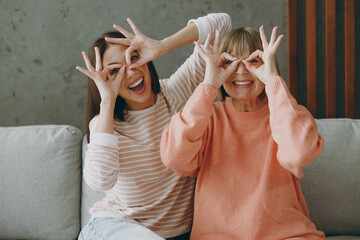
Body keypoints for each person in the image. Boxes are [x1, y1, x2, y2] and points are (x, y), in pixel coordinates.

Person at [160, 26, 326, 239]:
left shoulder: (287, 113)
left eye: (253, 61)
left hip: (287, 235)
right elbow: (174, 157)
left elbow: (300, 153)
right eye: (229, 62)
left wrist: (274, 81)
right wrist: (209, 84)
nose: (240, 71)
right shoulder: (207, 117)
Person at [76, 13, 232, 240]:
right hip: (114, 228)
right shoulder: (105, 123)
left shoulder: (176, 92)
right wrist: (108, 100)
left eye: (134, 57)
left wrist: (161, 45)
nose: (130, 71)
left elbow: (222, 24)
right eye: (114, 71)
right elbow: (100, 181)